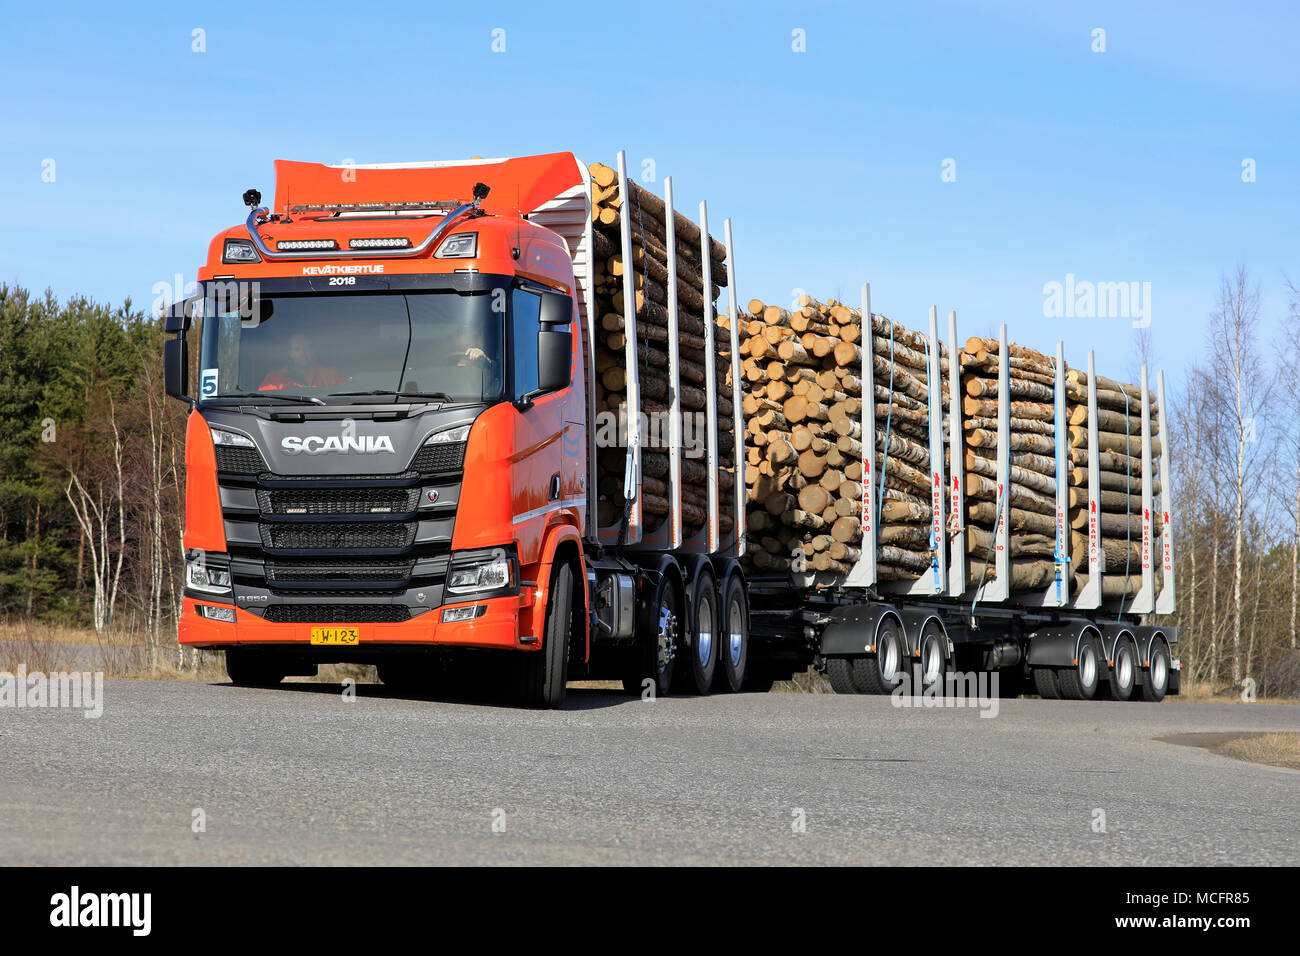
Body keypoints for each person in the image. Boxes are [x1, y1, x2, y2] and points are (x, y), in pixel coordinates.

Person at [259, 333, 346, 390]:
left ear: (313, 351)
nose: (303, 353)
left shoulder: (332, 375)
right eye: (297, 349)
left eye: (306, 348)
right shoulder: (274, 379)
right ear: (290, 353)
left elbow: (343, 398)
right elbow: (263, 402)